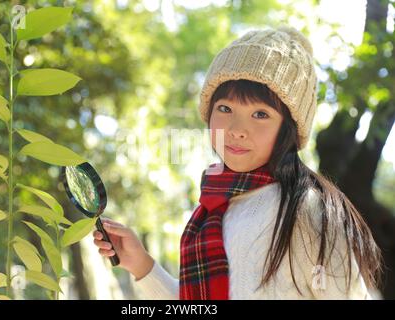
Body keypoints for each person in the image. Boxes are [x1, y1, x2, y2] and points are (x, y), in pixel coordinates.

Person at [93, 25, 382, 299]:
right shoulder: (213, 209)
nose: (236, 129)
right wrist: (142, 266)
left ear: (289, 130)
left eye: (260, 114)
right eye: (225, 108)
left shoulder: (304, 207)